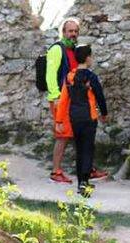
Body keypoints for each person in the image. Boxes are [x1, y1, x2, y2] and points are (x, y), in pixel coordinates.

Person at [45, 19, 108, 184]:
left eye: (75, 31)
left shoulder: (74, 50)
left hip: (73, 100)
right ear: (63, 32)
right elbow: (50, 75)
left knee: (80, 135)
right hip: (61, 99)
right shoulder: (57, 49)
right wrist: (57, 97)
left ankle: (88, 169)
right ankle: (56, 172)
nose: (73, 34)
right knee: (63, 135)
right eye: (69, 31)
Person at [54, 44, 108, 196]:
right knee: (88, 148)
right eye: (91, 56)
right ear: (88, 58)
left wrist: (59, 121)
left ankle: (80, 183)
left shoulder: (69, 77)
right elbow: (99, 96)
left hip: (74, 118)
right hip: (89, 117)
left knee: (79, 149)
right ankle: (85, 182)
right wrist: (104, 113)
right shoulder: (91, 76)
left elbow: (64, 100)